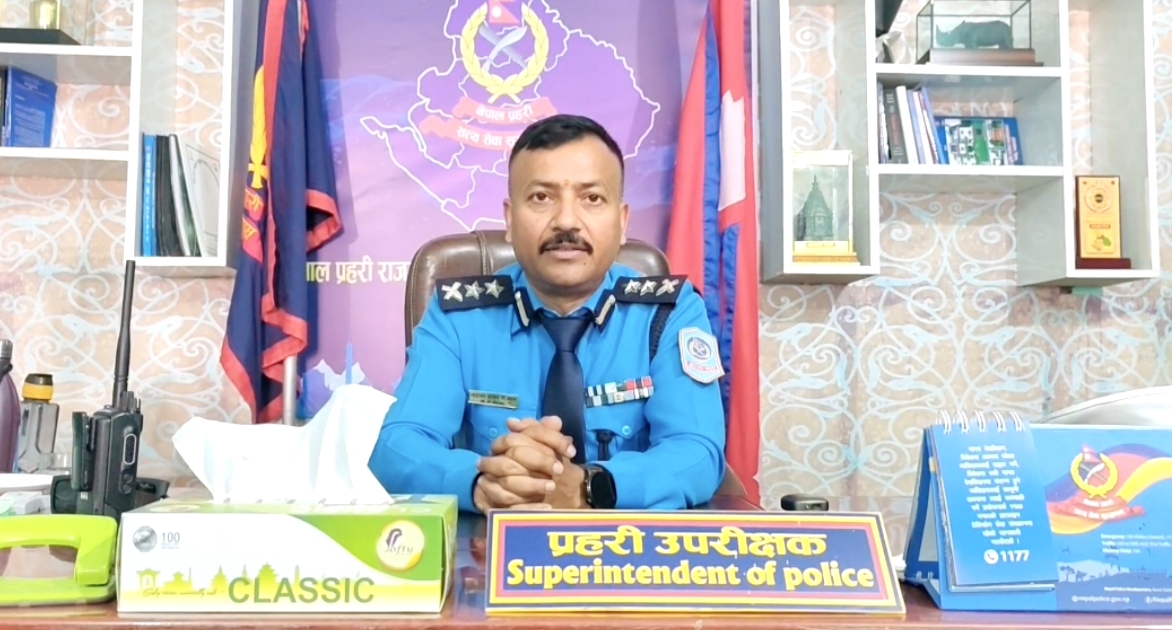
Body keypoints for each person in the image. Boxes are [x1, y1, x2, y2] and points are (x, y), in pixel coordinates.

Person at [368, 114, 726, 512]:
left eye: (592, 198)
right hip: (492, 543)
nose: (566, 221)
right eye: (541, 197)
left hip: (628, 545)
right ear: (509, 218)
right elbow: (396, 447)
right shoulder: (458, 317)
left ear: (622, 221)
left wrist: (589, 487)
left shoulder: (668, 314)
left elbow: (698, 453)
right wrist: (482, 481)